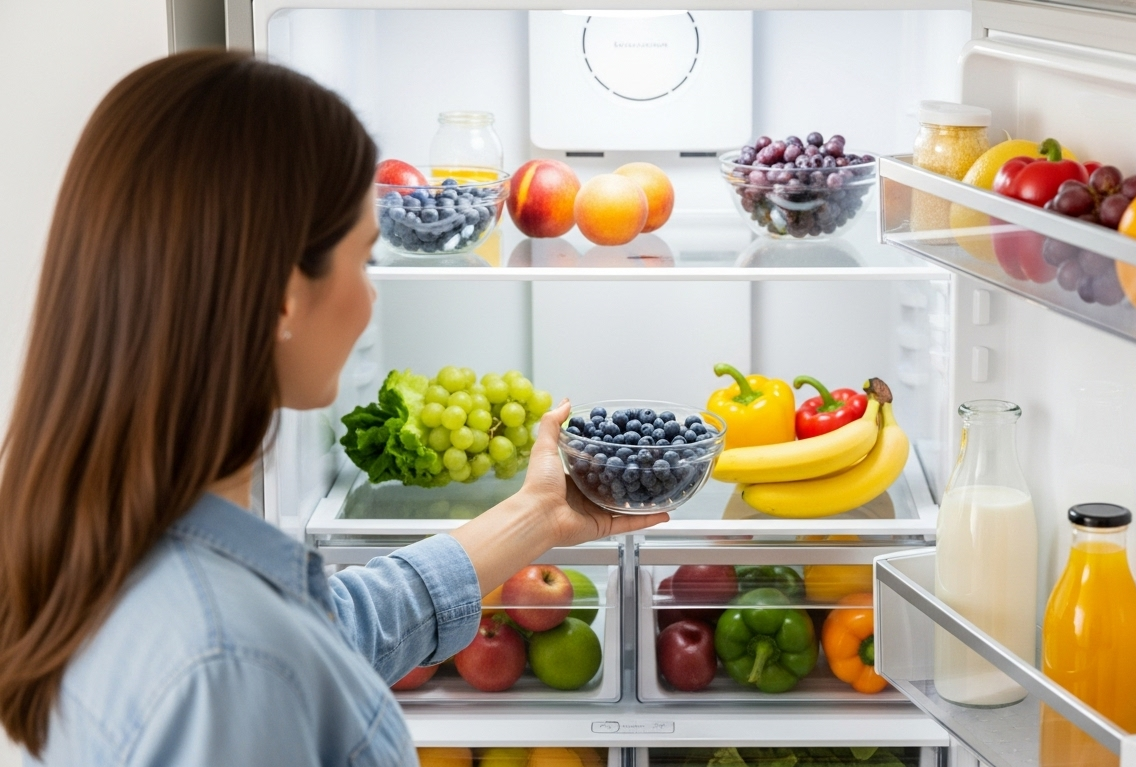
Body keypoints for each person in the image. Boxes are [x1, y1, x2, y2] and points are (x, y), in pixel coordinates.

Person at [0, 50, 666, 766]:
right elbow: (269, 661)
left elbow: (325, 633)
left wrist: (536, 515)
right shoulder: (228, 665)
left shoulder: (118, 552)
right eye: (364, 256)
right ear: (287, 296)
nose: (370, 296)